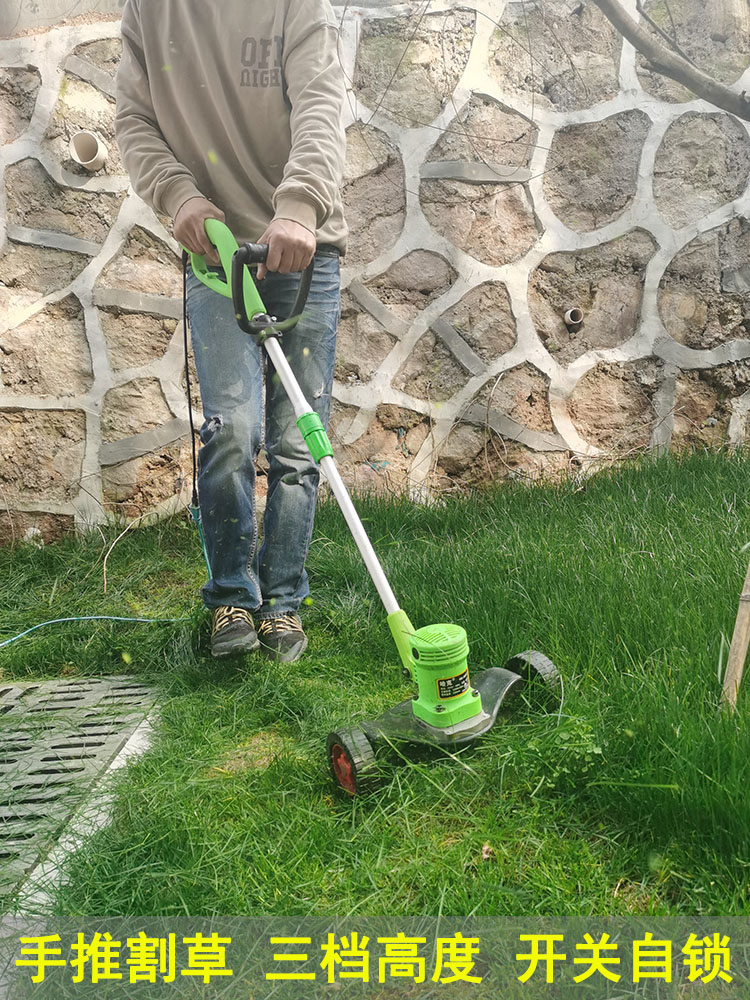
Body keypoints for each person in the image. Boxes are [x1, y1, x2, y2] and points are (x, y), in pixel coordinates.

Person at [115, 0, 348, 661]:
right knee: (231, 431)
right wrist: (179, 198)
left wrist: (300, 205)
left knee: (298, 444)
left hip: (304, 249)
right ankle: (230, 600)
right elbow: (134, 120)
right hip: (217, 257)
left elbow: (321, 105)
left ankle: (282, 601)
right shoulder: (150, 11)